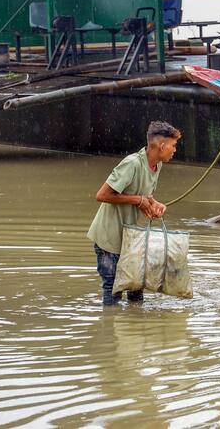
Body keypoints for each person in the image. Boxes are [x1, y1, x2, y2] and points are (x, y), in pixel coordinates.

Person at [88, 121, 182, 305]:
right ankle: (109, 329)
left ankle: (137, 328)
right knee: (113, 290)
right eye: (173, 145)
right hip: (111, 240)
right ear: (162, 146)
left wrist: (154, 204)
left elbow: (145, 194)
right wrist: (138, 201)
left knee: (136, 289)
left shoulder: (156, 165)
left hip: (133, 240)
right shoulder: (132, 164)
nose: (174, 150)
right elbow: (102, 195)